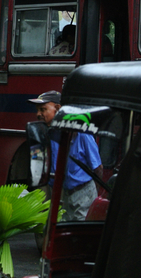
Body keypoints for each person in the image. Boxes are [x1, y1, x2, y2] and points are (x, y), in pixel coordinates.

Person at [29, 90, 102, 221]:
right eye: (38, 110)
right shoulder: (50, 135)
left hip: (83, 191)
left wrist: (95, 196)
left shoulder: (82, 134)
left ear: (58, 109)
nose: (38, 114)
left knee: (80, 230)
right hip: (64, 192)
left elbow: (97, 168)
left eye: (43, 109)